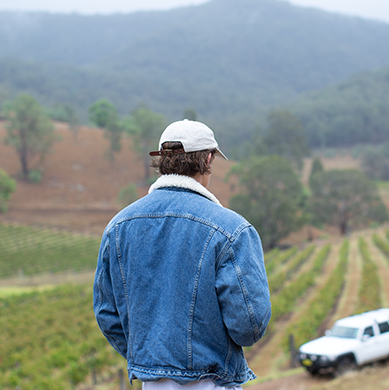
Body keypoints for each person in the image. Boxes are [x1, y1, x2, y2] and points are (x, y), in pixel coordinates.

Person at [94, 119, 271, 389]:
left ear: (162, 160)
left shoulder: (118, 226)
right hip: (212, 381)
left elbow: (107, 313)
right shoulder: (232, 230)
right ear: (208, 158)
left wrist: (151, 358)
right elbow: (249, 326)